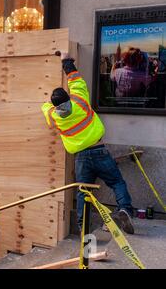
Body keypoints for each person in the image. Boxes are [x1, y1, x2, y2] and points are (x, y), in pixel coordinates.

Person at [41, 52, 135, 234]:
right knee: (117, 182)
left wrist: (52, 104)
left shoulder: (54, 116)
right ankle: (124, 209)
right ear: (69, 98)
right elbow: (75, 79)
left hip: (81, 158)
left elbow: (45, 107)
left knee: (83, 192)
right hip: (99, 150)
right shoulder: (80, 100)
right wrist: (66, 61)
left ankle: (83, 229)